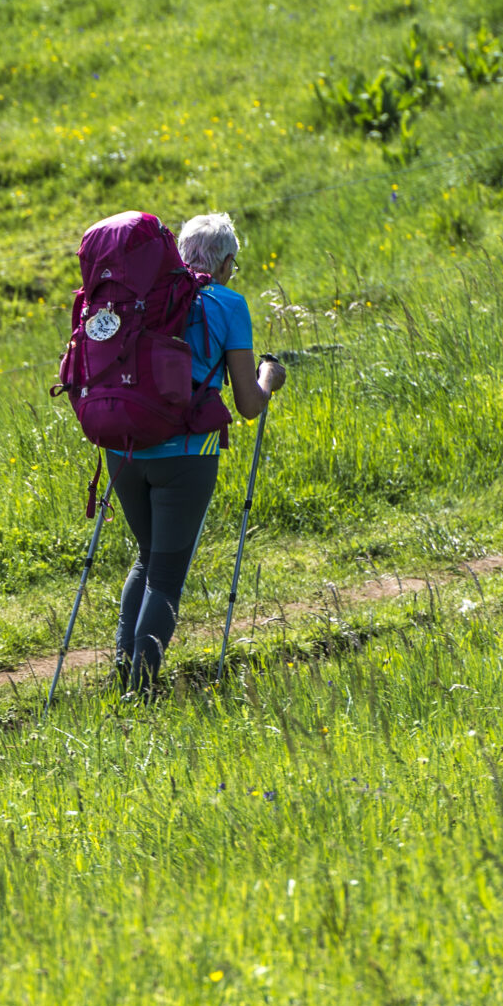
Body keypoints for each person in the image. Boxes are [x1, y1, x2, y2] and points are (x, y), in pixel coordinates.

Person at [107, 211, 286, 692]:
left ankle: (122, 675)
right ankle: (141, 690)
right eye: (233, 265)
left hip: (123, 449)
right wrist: (269, 377)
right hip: (185, 453)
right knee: (166, 574)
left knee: (146, 559)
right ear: (225, 263)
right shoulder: (228, 302)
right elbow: (248, 405)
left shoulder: (139, 297)